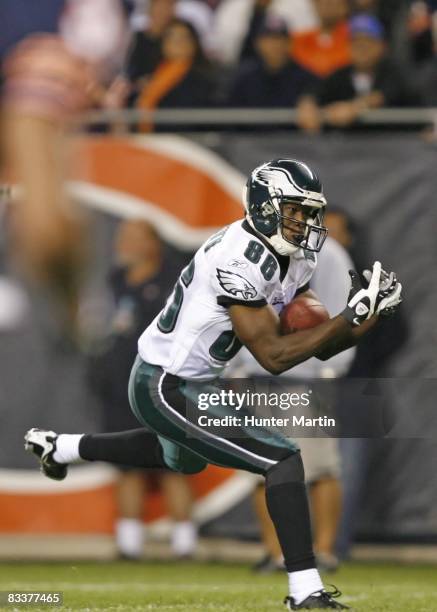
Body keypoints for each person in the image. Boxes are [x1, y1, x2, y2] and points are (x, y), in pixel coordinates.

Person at [25, 159, 402, 610]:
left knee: (181, 459)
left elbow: (311, 344)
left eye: (308, 211)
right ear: (264, 207)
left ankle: (64, 447)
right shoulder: (238, 259)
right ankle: (306, 591)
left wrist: (365, 316)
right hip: (163, 382)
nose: (304, 221)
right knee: (281, 458)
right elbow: (274, 356)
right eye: (295, 210)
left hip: (196, 382)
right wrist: (347, 318)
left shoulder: (296, 257)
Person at [87, 219, 197, 559]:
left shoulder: (175, 281)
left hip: (160, 387)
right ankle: (129, 543)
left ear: (154, 243)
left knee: (172, 464)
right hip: (120, 388)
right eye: (123, 237)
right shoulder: (115, 281)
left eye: (134, 237)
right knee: (126, 464)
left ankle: (185, 543)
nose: (125, 244)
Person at [299, 14, 419, 132]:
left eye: (368, 42)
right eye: (356, 42)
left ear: (382, 46)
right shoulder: (340, 75)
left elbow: (386, 94)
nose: (362, 48)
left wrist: (355, 107)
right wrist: (308, 104)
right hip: (346, 147)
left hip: (391, 144)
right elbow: (316, 90)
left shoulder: (394, 72)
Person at [227, 16, 319, 112]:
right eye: (269, 39)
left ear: (290, 43)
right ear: (258, 43)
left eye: (280, 39)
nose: (275, 45)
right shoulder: (244, 78)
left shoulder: (306, 78)